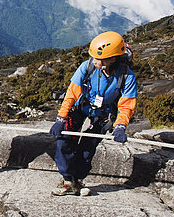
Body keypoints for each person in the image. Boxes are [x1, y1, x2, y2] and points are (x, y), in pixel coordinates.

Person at [50, 31, 137, 196]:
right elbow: (72, 94)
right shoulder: (87, 66)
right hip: (80, 106)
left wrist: (120, 126)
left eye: (98, 59)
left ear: (111, 59)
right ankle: (68, 180)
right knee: (64, 140)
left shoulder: (126, 76)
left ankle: (77, 179)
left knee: (88, 147)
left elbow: (127, 105)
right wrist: (61, 118)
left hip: (103, 113)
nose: (94, 60)